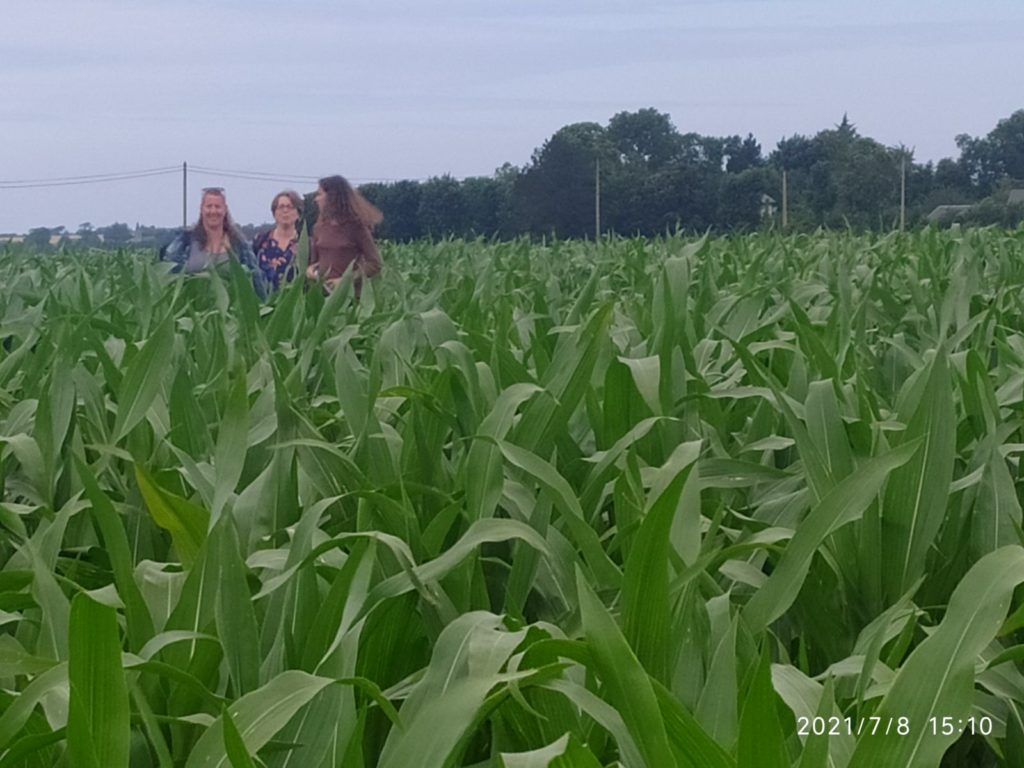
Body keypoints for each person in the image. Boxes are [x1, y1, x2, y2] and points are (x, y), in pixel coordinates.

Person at [159, 187, 266, 298]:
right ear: (201, 209)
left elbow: (255, 280)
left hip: (231, 310)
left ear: (225, 210)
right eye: (209, 206)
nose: (213, 211)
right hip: (193, 309)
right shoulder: (185, 241)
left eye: (217, 207)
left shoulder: (239, 245)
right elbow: (169, 272)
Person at [306, 175, 382, 293]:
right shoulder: (318, 228)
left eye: (320, 194)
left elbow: (374, 264)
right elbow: (314, 262)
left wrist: (345, 280)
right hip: (321, 296)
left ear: (332, 197)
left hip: (349, 296)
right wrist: (310, 270)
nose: (316, 199)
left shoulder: (356, 227)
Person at [252, 190, 302, 291]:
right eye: (281, 207)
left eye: (290, 207)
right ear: (274, 213)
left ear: (298, 214)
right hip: (263, 300)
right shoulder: (260, 241)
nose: (285, 211)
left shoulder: (305, 243)